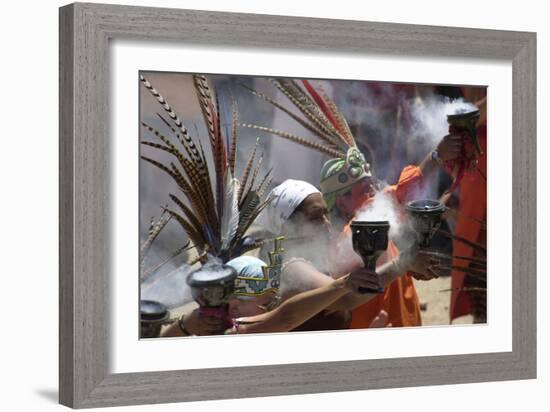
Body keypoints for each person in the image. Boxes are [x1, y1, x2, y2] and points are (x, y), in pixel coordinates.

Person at [320, 134, 460, 328]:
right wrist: (437, 156)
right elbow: (404, 192)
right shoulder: (356, 230)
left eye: (369, 183)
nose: (371, 189)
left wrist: (409, 267)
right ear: (340, 203)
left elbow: (382, 270)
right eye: (361, 188)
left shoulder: (364, 225)